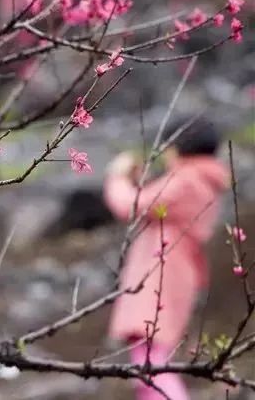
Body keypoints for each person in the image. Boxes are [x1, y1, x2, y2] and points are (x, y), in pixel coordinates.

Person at [103, 116, 230, 400]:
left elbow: (131, 205)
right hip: (175, 269)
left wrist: (117, 177)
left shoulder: (186, 180)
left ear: (178, 146)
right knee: (150, 355)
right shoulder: (201, 178)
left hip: (162, 271)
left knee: (151, 359)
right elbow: (155, 203)